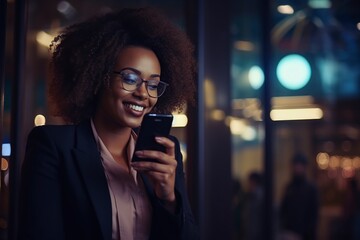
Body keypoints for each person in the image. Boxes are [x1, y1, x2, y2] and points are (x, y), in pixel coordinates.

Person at [18, 7, 198, 240]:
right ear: (99, 77)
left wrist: (169, 199)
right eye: (130, 79)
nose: (143, 94)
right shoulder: (53, 146)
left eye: (153, 85)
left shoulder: (163, 152)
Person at [279, 153, 319, 240]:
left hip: (305, 234)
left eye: (300, 165)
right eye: (296, 165)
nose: (297, 168)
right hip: (289, 232)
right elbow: (283, 210)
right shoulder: (289, 188)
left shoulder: (311, 189)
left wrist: (308, 232)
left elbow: (313, 214)